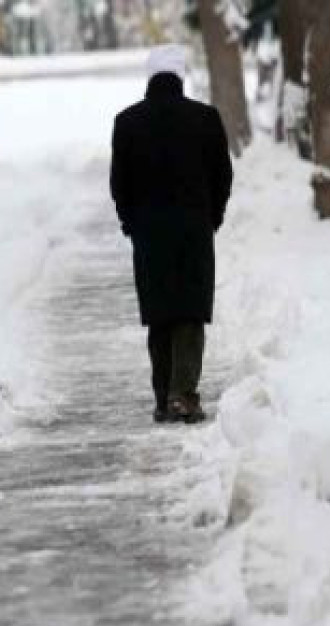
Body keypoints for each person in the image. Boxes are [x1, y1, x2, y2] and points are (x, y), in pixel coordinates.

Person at [110, 45, 233, 424]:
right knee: (189, 314)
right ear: (180, 76)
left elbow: (119, 183)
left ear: (151, 77)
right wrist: (213, 216)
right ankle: (184, 393)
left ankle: (163, 396)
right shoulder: (206, 118)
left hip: (149, 233)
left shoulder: (127, 122)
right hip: (193, 230)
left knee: (159, 312)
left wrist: (131, 223)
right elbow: (223, 176)